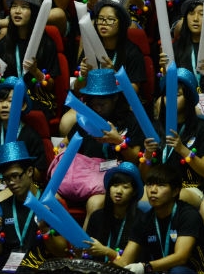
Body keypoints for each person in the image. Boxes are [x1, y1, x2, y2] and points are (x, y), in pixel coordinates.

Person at [58, 68, 145, 225]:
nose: (98, 108)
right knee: (53, 198)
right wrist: (62, 147)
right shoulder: (85, 120)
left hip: (115, 183)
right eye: (94, 103)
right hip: (84, 179)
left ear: (115, 98)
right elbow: (66, 143)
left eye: (102, 104)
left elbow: (137, 159)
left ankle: (84, 248)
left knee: (95, 203)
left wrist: (118, 141)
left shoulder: (131, 121)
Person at [0, 77, 47, 237]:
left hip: (17, 182)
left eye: (10, 101)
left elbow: (40, 175)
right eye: (0, 101)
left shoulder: (31, 135)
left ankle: (2, 242)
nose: (4, 105)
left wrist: (23, 165)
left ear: (23, 105)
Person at [140, 67, 204, 208]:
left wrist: (182, 149)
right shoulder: (155, 127)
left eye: (176, 95)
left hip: (190, 187)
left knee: (170, 197)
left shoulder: (202, 127)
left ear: (188, 98)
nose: (170, 99)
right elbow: (145, 176)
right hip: (157, 187)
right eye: (166, 95)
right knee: (138, 198)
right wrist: (147, 154)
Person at [115, 163, 204, 274]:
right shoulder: (144, 219)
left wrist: (146, 267)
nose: (152, 190)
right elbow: (125, 261)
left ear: (175, 191)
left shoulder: (188, 215)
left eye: (161, 185)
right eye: (149, 184)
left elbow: (181, 257)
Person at [0, 141, 68, 272]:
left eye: (15, 176)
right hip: (9, 269)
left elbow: (62, 251)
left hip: (41, 267)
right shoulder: (1, 209)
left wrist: (45, 230)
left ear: (29, 171)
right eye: (7, 179)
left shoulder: (50, 206)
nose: (11, 183)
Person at [0, 0, 61, 119]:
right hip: (8, 98)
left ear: (34, 12)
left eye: (24, 7)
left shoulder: (46, 44)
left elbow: (51, 85)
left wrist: (36, 72)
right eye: (14, 6)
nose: (17, 11)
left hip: (37, 97)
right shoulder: (4, 44)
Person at [73, 0, 147, 95]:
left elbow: (134, 92)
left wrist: (114, 75)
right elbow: (77, 90)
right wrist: (83, 75)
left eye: (110, 19)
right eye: (101, 18)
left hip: (120, 105)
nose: (104, 23)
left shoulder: (132, 52)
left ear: (121, 23)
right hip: (93, 102)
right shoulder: (89, 49)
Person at [83, 162, 145, 262]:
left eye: (125, 187)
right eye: (115, 185)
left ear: (134, 192)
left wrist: (106, 251)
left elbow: (135, 261)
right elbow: (87, 252)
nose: (119, 191)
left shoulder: (141, 220)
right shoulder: (97, 216)